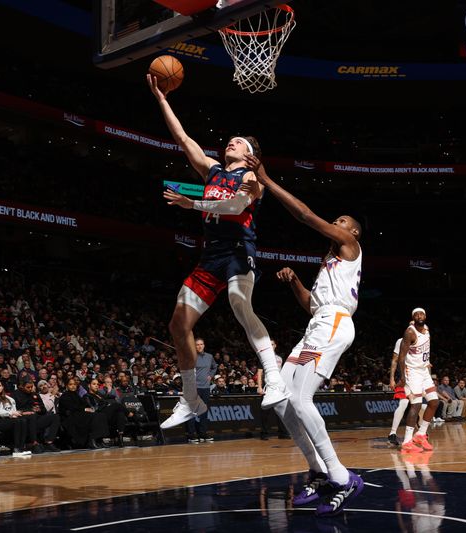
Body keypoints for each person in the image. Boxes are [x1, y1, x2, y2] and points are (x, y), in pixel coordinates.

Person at [147, 74, 289, 429]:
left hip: (239, 252)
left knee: (240, 305)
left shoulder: (251, 180)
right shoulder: (212, 171)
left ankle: (273, 377)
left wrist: (190, 204)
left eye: (238, 142)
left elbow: (236, 207)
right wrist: (161, 97)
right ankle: (191, 399)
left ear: (250, 155)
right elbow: (181, 137)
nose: (231, 142)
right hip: (210, 257)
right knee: (178, 323)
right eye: (230, 140)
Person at [244, 154, 364, 516]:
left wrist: (267, 178)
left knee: (301, 400)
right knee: (281, 397)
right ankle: (318, 469)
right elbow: (312, 306)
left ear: (352, 232)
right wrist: (296, 281)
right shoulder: (329, 264)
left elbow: (305, 216)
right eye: (337, 220)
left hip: (335, 324)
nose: (336, 223)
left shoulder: (349, 245)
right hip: (319, 322)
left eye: (342, 221)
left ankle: (341, 477)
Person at [396, 308, 440, 454]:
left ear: (425, 316)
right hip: (412, 372)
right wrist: (402, 377)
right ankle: (407, 441)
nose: (419, 316)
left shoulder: (426, 329)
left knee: (434, 402)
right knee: (416, 404)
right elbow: (401, 357)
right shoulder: (410, 332)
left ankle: (421, 434)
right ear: (413, 318)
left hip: (423, 370)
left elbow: (425, 348)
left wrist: (427, 361)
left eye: (421, 314)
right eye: (416, 314)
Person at [0, 379, 32, 457]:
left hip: (5, 420)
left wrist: (14, 414)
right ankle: (16, 449)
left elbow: (13, 410)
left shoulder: (9, 398)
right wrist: (10, 413)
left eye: (0, 385)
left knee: (22, 420)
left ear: (3, 387)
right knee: (17, 422)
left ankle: (21, 447)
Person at [184, 338, 217, 443]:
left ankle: (203, 433)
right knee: (192, 412)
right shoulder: (191, 356)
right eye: (197, 344)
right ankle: (191, 435)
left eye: (201, 344)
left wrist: (210, 375)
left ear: (204, 345)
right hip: (194, 388)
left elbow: (214, 367)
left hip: (206, 388)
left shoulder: (209, 356)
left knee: (204, 412)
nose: (199, 346)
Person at [387, 337, 409, 447]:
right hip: (403, 376)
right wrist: (391, 378)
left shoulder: (422, 340)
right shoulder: (401, 341)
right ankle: (392, 433)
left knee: (423, 405)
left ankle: (420, 432)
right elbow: (395, 360)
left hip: (417, 376)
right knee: (404, 403)